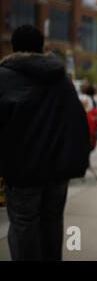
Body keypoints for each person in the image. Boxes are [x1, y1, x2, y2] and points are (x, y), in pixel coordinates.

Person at [0, 25, 90, 261]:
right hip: (57, 170)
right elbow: (78, 121)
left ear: (14, 47)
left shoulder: (5, 77)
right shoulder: (60, 79)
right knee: (52, 221)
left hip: (22, 171)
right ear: (42, 47)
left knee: (23, 223)